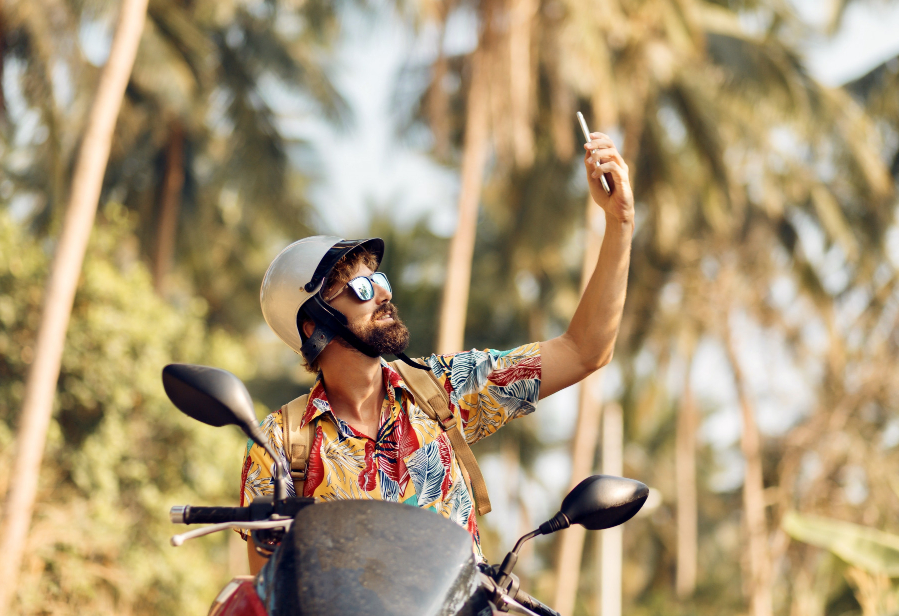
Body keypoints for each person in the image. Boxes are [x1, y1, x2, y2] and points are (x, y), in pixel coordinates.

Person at [240, 132, 634, 575]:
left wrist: (619, 224)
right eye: (361, 288)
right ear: (312, 325)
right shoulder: (279, 442)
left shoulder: (443, 390)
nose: (383, 296)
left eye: (381, 280)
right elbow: (267, 590)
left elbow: (584, 351)